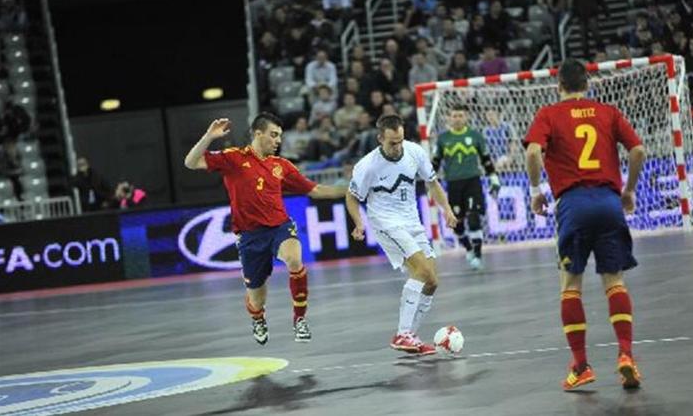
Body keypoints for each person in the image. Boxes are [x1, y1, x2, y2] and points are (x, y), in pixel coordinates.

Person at [523, 59, 645, 391]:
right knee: (614, 282)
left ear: (558, 85)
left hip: (573, 205)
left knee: (571, 285)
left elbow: (533, 153)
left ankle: (580, 366)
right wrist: (629, 190)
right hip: (608, 202)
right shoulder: (607, 112)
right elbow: (637, 150)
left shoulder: (549, 114)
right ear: (587, 84)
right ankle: (626, 357)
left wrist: (536, 192)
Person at [184, 113, 347, 346]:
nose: (278, 140)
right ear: (258, 133)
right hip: (249, 236)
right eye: (273, 135)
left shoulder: (281, 166)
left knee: (294, 259)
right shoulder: (234, 158)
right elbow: (190, 162)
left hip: (279, 226)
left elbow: (315, 189)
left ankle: (300, 319)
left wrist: (350, 189)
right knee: (257, 297)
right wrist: (209, 136)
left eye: (280, 135)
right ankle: (258, 318)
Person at [345, 114, 457, 355]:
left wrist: (446, 209)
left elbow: (432, 182)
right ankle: (402, 333)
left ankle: (410, 335)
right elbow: (352, 196)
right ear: (380, 139)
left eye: (400, 141)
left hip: (412, 222)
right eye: (392, 143)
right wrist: (359, 223)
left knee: (432, 282)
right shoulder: (367, 165)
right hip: (386, 223)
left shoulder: (414, 152)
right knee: (422, 271)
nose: (397, 148)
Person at [432, 104, 501, 270]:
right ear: (449, 118)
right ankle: (468, 248)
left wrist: (493, 177)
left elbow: (485, 159)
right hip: (453, 184)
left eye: (460, 115)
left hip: (473, 181)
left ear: (466, 117)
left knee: (474, 216)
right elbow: (435, 162)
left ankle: (477, 254)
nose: (457, 119)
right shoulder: (443, 139)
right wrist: (430, 182)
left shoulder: (475, 136)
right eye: (454, 116)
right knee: (457, 222)